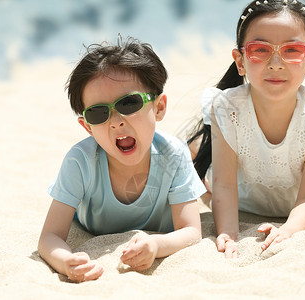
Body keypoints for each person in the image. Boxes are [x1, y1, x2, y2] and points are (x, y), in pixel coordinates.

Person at [187, 0, 305, 258]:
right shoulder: (226, 108)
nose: (276, 63)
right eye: (260, 50)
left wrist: (288, 230)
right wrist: (228, 233)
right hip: (252, 193)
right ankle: (197, 145)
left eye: (292, 50)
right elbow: (226, 187)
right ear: (240, 61)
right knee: (206, 180)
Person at [38, 37, 206, 282]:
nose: (116, 121)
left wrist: (157, 244)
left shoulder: (174, 154)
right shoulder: (80, 161)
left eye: (129, 103)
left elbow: (191, 231)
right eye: (98, 113)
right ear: (87, 128)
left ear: (158, 107)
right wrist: (65, 261)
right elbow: (50, 236)